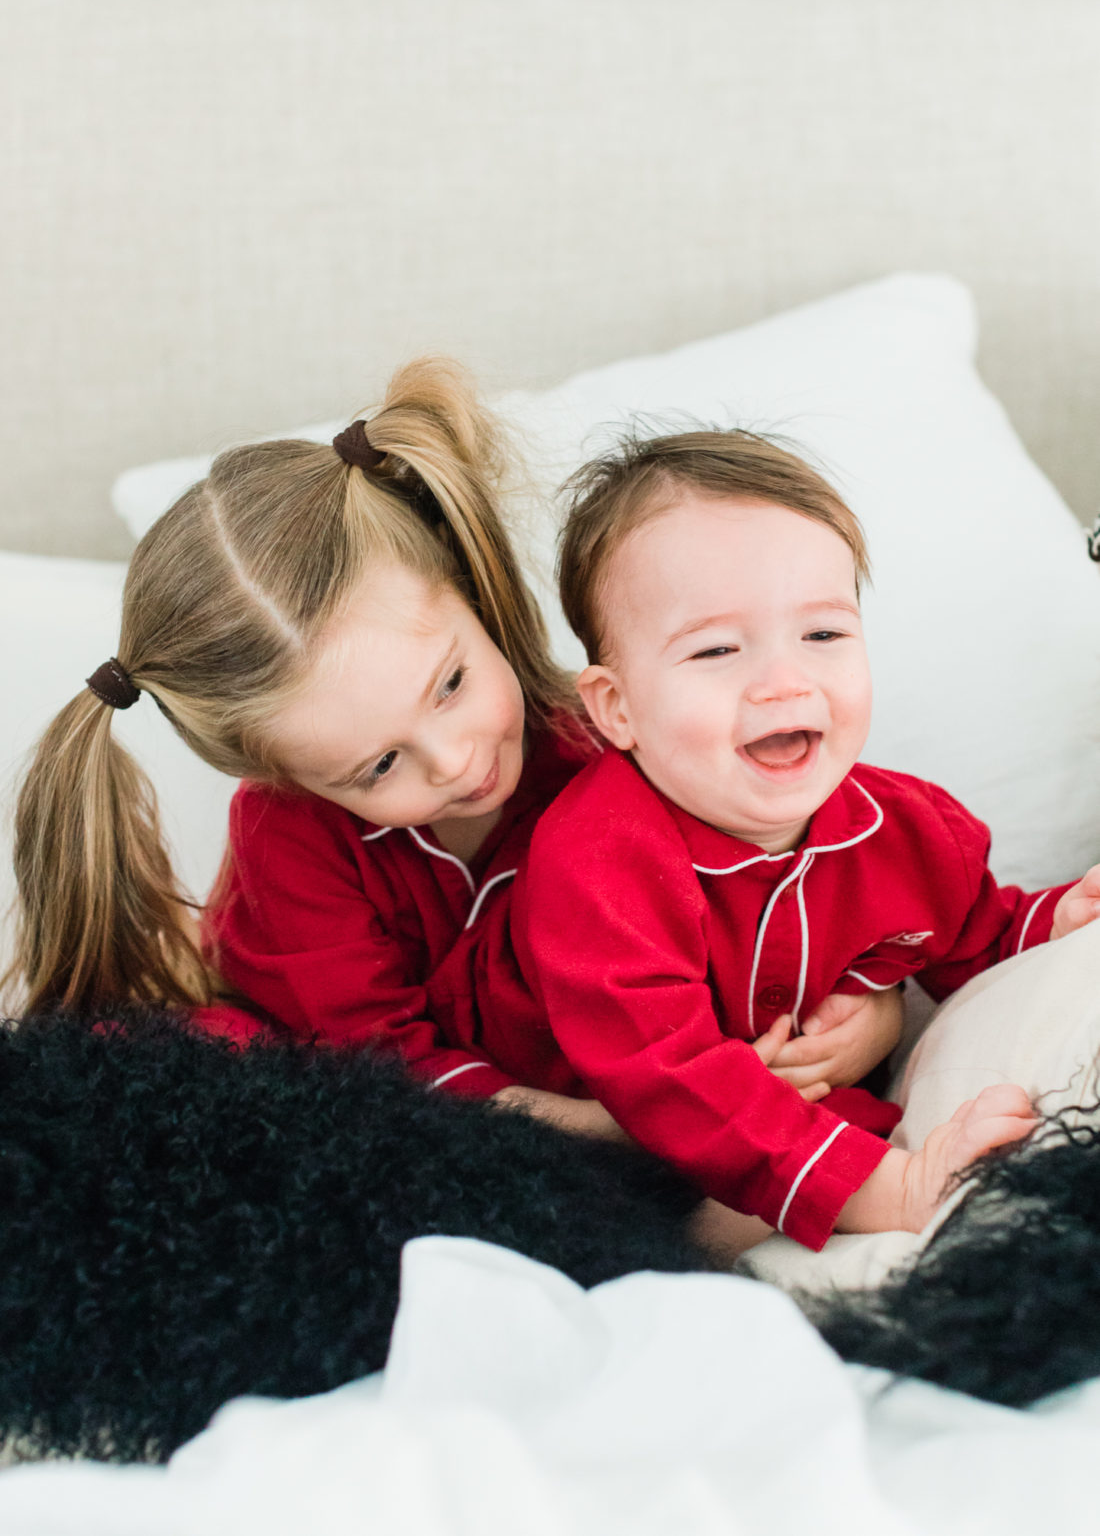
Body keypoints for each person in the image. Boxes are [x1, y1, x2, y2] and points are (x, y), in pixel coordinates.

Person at [454, 430, 1100, 1248]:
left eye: (824, 636)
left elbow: (975, 929)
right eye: (717, 650)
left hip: (783, 1116)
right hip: (573, 1130)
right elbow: (672, 1078)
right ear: (616, 709)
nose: (784, 681)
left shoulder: (904, 828)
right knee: (666, 1218)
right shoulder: (598, 862)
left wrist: (1056, 923)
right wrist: (886, 1188)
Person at [3, 360, 612, 1137]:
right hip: (346, 1078)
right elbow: (385, 1075)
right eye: (380, 766)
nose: (455, 760)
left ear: (467, 581)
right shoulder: (287, 838)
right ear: (281, 776)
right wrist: (613, 1130)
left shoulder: (604, 738)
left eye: (450, 684)